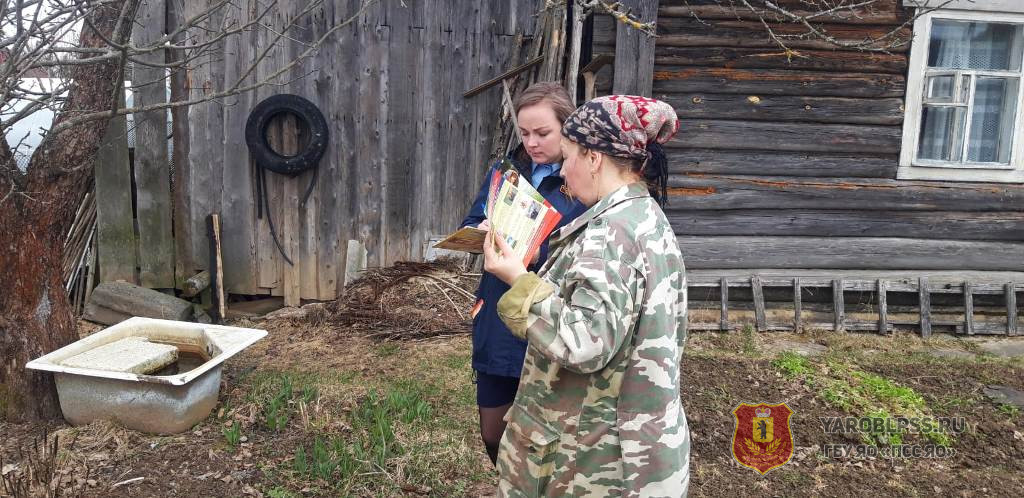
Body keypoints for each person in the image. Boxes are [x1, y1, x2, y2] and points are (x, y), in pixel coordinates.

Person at [483, 95, 690, 496]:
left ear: (594, 158)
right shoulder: (643, 217)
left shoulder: (611, 235)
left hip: (595, 461)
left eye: (568, 157)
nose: (563, 170)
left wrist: (518, 280)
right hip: (634, 446)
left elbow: (587, 342)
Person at [460, 82, 586, 466]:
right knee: (492, 429)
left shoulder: (582, 181)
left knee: (547, 431)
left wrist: (531, 250)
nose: (531, 142)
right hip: (499, 309)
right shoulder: (507, 171)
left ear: (568, 128)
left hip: (550, 312)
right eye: (525, 133)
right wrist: (481, 230)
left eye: (543, 133)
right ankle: (507, 481)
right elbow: (473, 218)